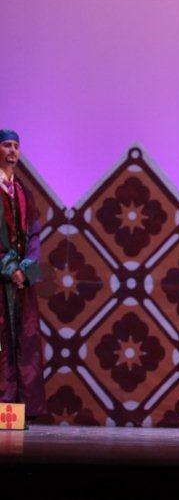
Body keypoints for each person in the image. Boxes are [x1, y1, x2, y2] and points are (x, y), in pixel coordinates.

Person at [0, 129, 45, 417]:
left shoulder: (22, 191)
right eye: (6, 145)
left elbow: (34, 234)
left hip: (20, 283)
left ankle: (17, 411)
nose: (12, 151)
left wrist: (26, 269)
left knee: (23, 342)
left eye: (16, 145)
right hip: (2, 277)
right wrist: (9, 268)